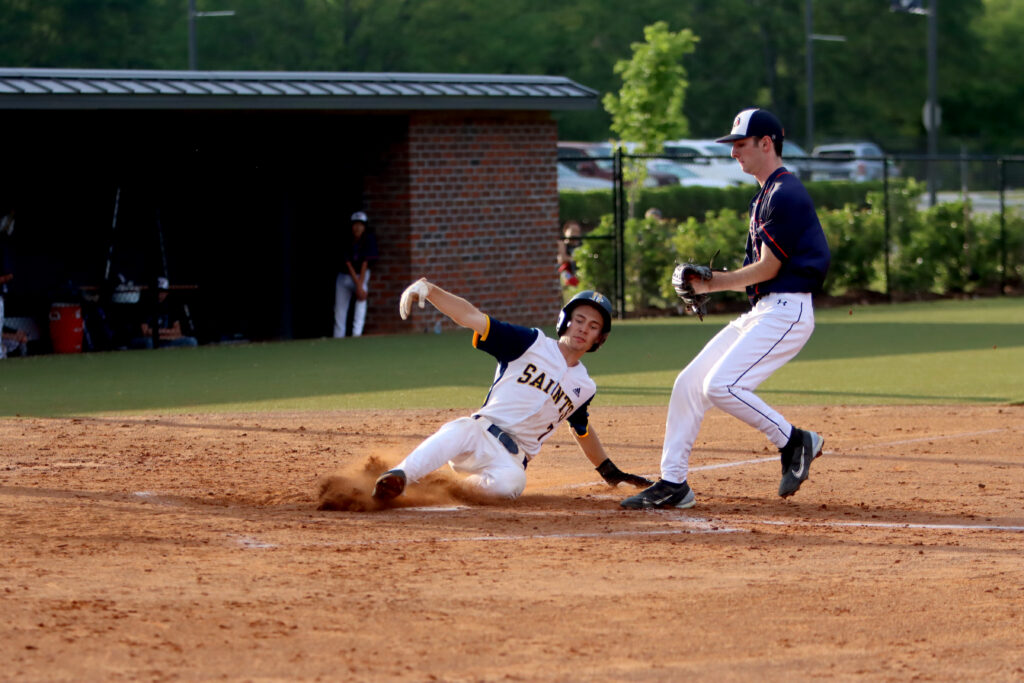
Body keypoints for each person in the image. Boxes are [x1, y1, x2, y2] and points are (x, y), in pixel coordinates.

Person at [622, 108, 831, 510]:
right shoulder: (764, 194)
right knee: (688, 383)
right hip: (767, 309)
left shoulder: (785, 193)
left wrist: (710, 283)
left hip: (788, 311)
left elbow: (769, 267)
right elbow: (761, 274)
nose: (733, 152)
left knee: (721, 385)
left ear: (766, 143)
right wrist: (713, 283)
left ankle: (794, 440)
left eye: (740, 144)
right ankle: (674, 484)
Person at [372, 281, 651, 501]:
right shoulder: (529, 342)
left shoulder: (585, 387)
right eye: (579, 320)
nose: (583, 329)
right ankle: (401, 476)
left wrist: (610, 473)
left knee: (512, 485)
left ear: (599, 338)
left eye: (593, 326)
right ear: (565, 320)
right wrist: (430, 290)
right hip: (479, 434)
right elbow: (472, 317)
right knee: (459, 429)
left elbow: (582, 430)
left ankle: (442, 490)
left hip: (511, 462)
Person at [334, 211, 378, 338]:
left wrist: (360, 285)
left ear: (365, 227)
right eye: (355, 224)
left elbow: (365, 262)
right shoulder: (346, 239)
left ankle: (356, 335)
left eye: (361, 225)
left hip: (362, 275)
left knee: (361, 302)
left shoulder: (368, 239)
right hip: (345, 276)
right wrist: (359, 285)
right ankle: (338, 337)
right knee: (340, 309)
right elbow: (347, 263)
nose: (357, 228)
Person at [131, 277, 198, 349]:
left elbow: (178, 331)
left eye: (162, 291)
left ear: (167, 292)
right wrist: (168, 332)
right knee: (149, 342)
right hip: (149, 340)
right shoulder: (145, 306)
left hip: (166, 340)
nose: (160, 294)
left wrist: (159, 333)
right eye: (157, 291)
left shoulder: (171, 307)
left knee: (191, 341)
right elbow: (145, 332)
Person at [556, 220, 582, 288]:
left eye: (577, 232)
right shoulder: (562, 243)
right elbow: (562, 259)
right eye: (573, 231)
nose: (575, 234)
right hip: (566, 275)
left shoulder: (581, 245)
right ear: (565, 231)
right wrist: (577, 258)